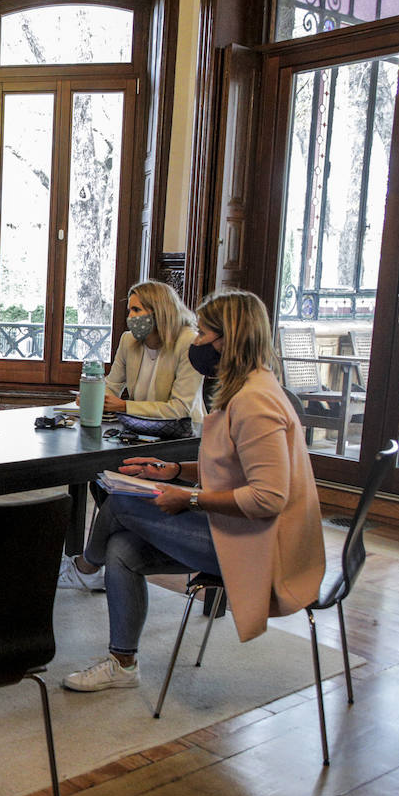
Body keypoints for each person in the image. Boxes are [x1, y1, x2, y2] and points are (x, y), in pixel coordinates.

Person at [61, 289, 325, 692]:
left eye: (203, 334)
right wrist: (174, 470)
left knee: (120, 504)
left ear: (229, 340)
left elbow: (268, 497)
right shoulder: (252, 387)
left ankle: (84, 565)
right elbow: (235, 466)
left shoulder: (257, 402)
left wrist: (190, 497)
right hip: (236, 530)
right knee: (123, 549)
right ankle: (123, 664)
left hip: (262, 547)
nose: (196, 342)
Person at [60, 280, 205, 590]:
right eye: (130, 310)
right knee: (102, 476)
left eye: (138, 310)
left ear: (159, 311)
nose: (131, 317)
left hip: (180, 441)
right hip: (137, 434)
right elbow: (110, 387)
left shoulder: (188, 343)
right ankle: (101, 559)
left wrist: (124, 404)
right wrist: (91, 397)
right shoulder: (129, 341)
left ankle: (89, 565)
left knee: (118, 488)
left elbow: (180, 408)